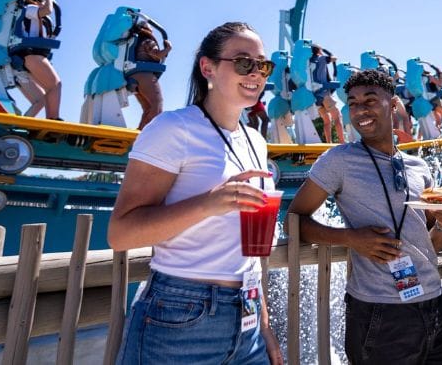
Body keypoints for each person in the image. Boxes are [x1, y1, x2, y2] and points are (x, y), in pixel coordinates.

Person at [108, 22, 282, 365]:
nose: (256, 73)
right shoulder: (173, 128)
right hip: (180, 314)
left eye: (262, 64)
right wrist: (207, 204)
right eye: (244, 62)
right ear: (208, 68)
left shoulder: (255, 141)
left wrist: (265, 328)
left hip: (247, 316)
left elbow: (246, 257)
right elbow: (121, 233)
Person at [286, 69, 442, 364]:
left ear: (394, 104)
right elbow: (294, 219)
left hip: (435, 306)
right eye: (353, 103)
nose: (360, 110)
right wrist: (350, 239)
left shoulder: (418, 167)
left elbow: (427, 243)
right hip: (381, 315)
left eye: (370, 100)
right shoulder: (338, 160)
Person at [16, 0, 62, 119]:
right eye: (41, 2)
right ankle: (53, 121)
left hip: (31, 56)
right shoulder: (30, 8)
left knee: (42, 98)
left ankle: (23, 125)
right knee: (55, 85)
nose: (44, 4)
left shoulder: (36, 17)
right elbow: (47, 10)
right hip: (32, 54)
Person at [131, 22, 172, 129]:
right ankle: (142, 137)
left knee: (148, 109)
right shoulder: (147, 41)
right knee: (157, 106)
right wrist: (168, 48)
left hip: (134, 76)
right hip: (145, 76)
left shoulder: (134, 42)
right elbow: (157, 54)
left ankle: (137, 135)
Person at [310, 44, 346, 144]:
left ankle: (328, 142)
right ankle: (342, 141)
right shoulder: (321, 58)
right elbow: (334, 58)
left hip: (316, 97)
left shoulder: (310, 62)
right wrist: (325, 50)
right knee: (337, 116)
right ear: (318, 50)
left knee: (327, 120)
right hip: (324, 93)